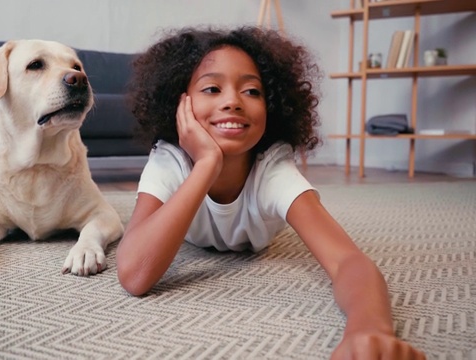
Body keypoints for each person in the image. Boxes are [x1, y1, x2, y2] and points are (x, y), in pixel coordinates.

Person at [116, 26, 425, 359]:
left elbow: (348, 261)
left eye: (252, 91)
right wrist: (206, 164)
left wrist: (368, 329)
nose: (233, 101)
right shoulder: (169, 160)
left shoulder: (272, 169)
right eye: (212, 88)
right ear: (181, 103)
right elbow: (134, 275)